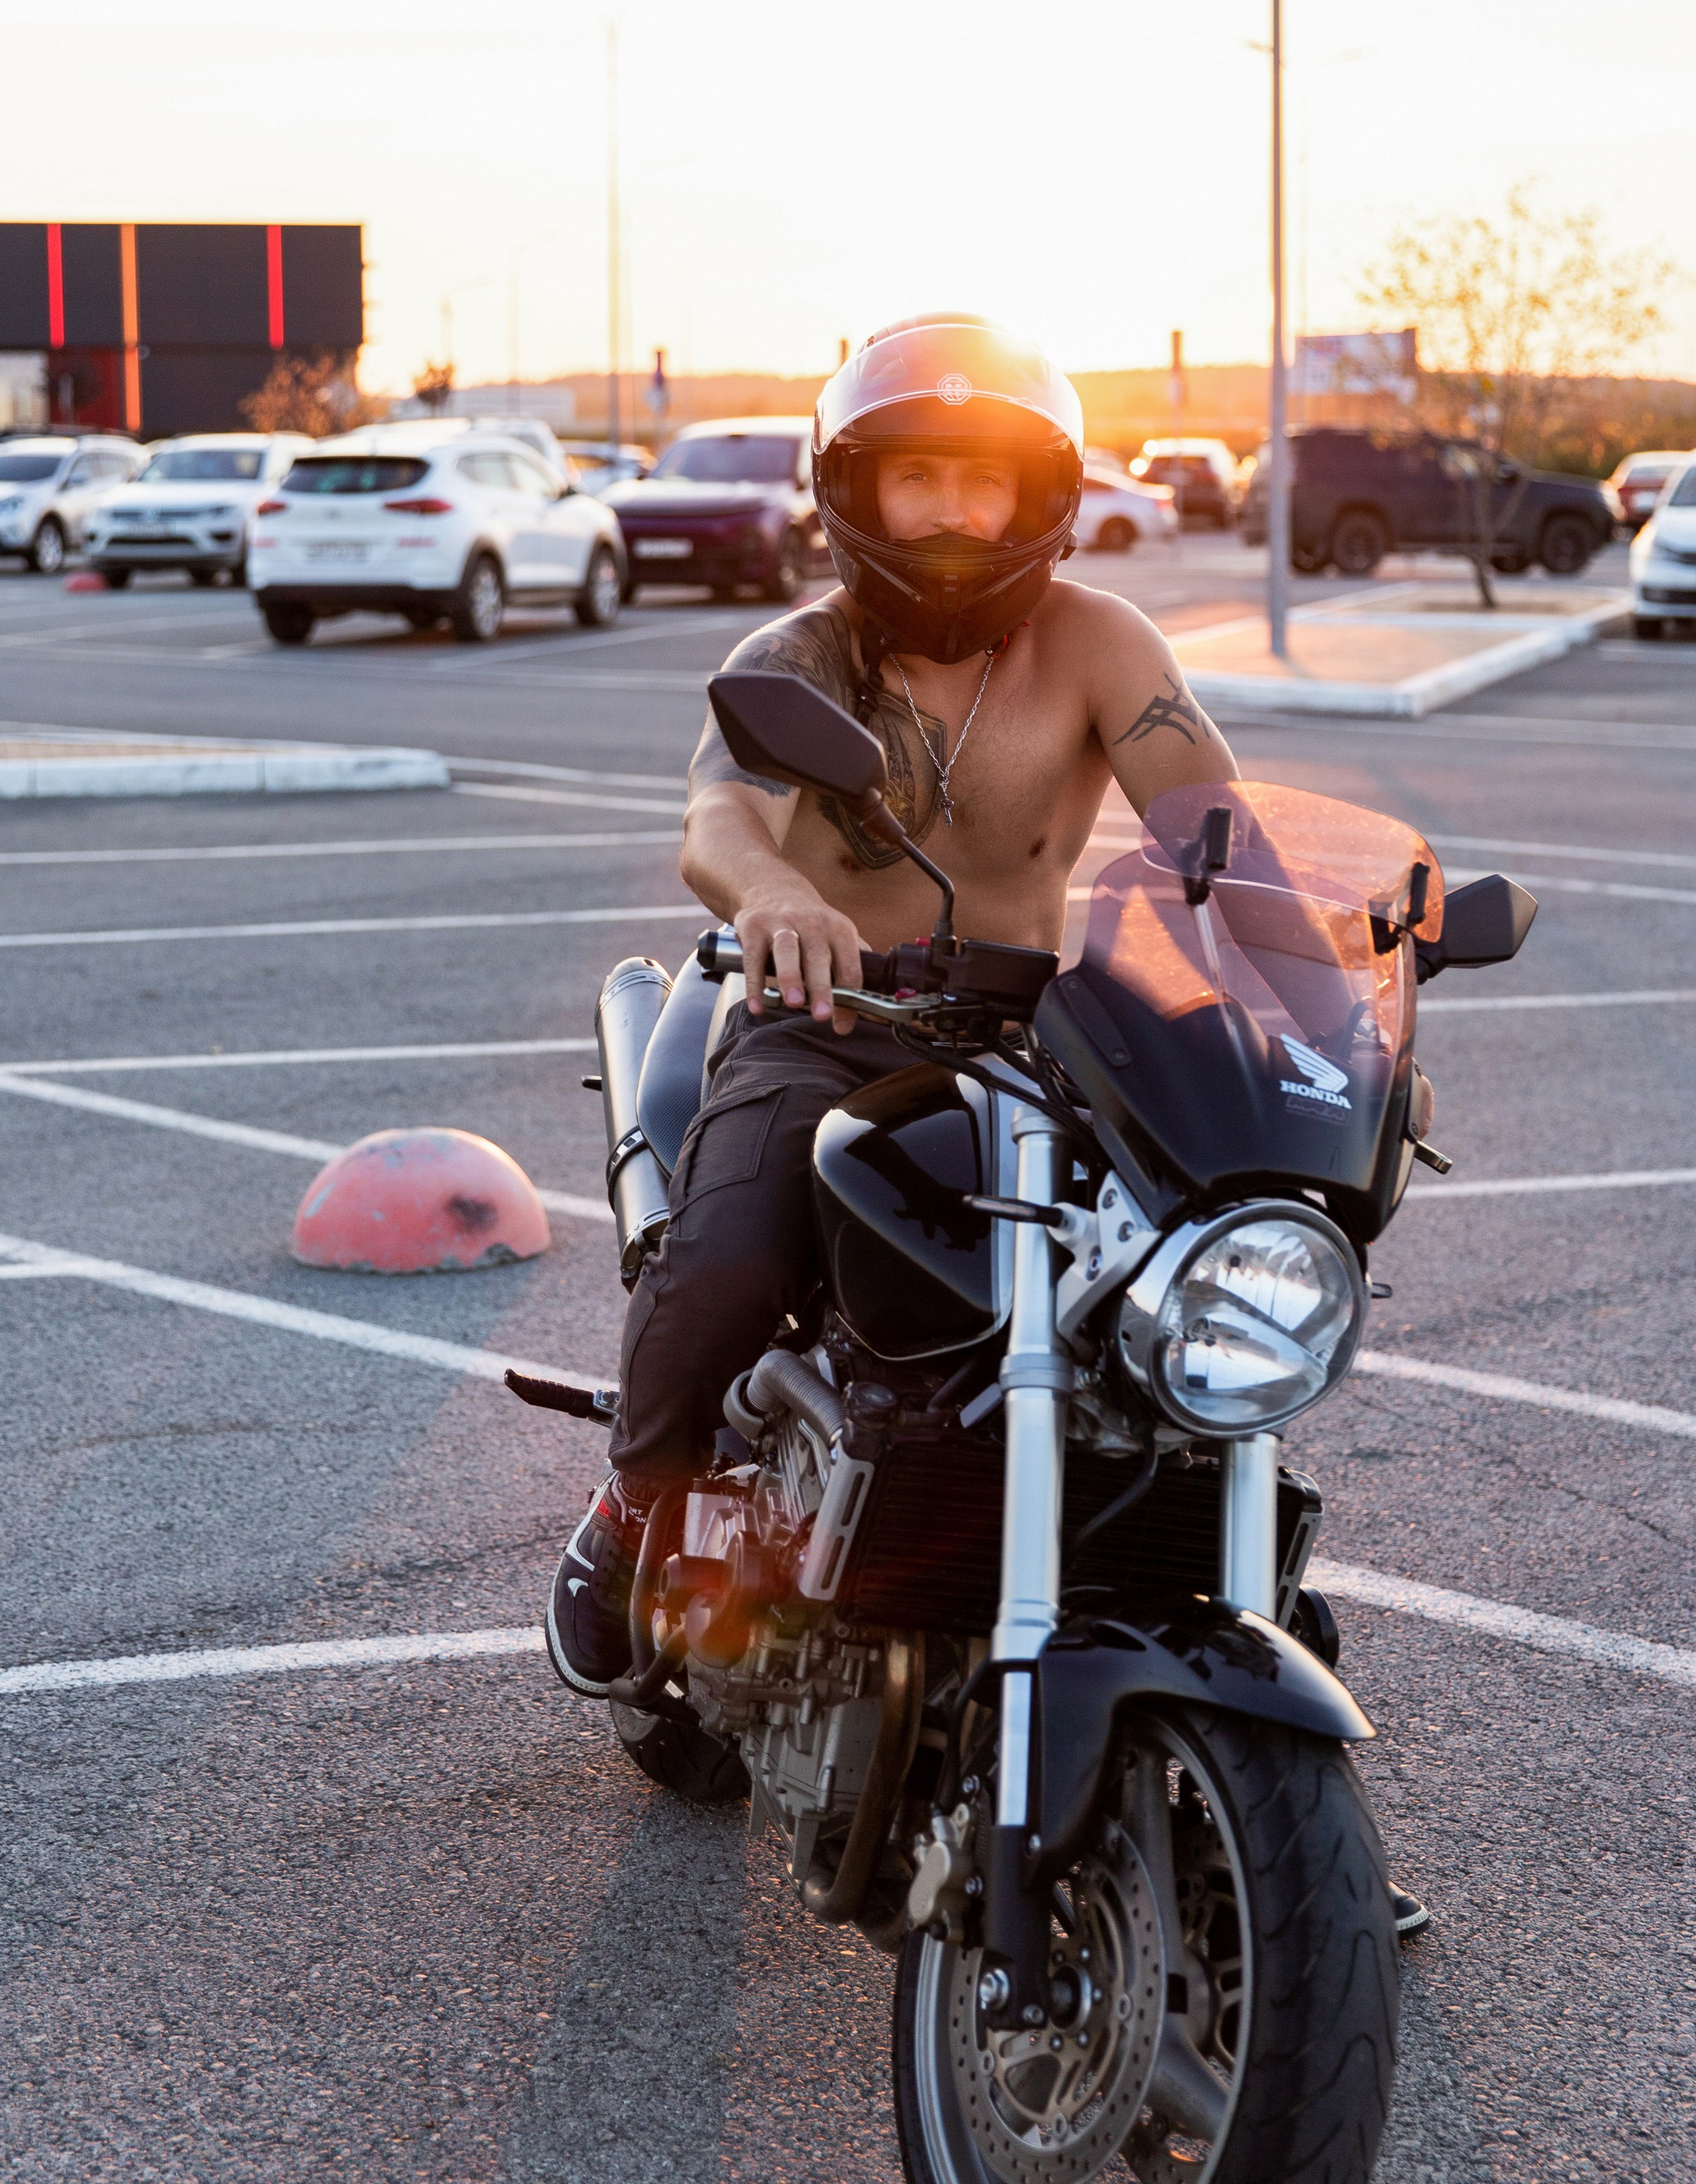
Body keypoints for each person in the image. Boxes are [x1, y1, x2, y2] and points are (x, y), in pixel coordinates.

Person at [544, 313, 1425, 1929]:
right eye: (915, 480)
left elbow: (1214, 836)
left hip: (1038, 1030)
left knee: (1181, 1304)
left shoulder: (1096, 643)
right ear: (852, 493)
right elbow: (718, 819)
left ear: (1042, 497)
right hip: (829, 1021)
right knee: (727, 1255)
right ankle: (632, 1508)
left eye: (984, 482)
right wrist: (778, 894)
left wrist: (1333, 1010)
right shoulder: (798, 660)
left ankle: (1262, 1777)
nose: (950, 514)